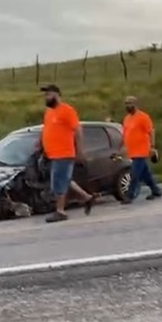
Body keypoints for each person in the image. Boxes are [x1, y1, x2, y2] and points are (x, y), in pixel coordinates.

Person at [38, 84, 96, 223]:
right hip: (52, 154)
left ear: (57, 95)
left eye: (48, 94)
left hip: (64, 153)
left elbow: (78, 130)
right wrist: (42, 146)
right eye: (45, 95)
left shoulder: (67, 110)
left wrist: (80, 150)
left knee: (58, 182)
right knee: (65, 180)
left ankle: (60, 211)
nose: (46, 97)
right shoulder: (49, 112)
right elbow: (47, 130)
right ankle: (87, 198)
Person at [120, 96, 162, 203]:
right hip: (132, 151)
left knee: (134, 174)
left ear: (136, 104)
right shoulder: (127, 119)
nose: (128, 106)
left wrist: (152, 146)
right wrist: (122, 147)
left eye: (130, 103)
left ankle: (129, 195)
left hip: (141, 151)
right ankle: (156, 190)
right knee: (145, 174)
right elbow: (125, 134)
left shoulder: (143, 117)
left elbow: (151, 131)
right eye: (126, 103)